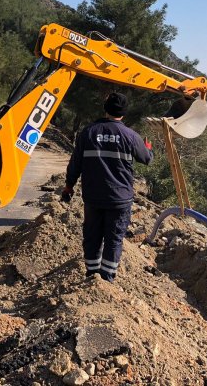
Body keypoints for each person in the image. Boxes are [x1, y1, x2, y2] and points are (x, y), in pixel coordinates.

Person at [62, 92, 153, 282]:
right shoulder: (130, 136)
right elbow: (146, 159)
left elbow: (75, 163)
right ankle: (106, 278)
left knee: (92, 236)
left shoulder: (88, 132)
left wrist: (69, 186)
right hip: (120, 199)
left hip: (93, 197)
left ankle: (91, 275)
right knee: (114, 239)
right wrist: (148, 148)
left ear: (105, 109)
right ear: (124, 112)